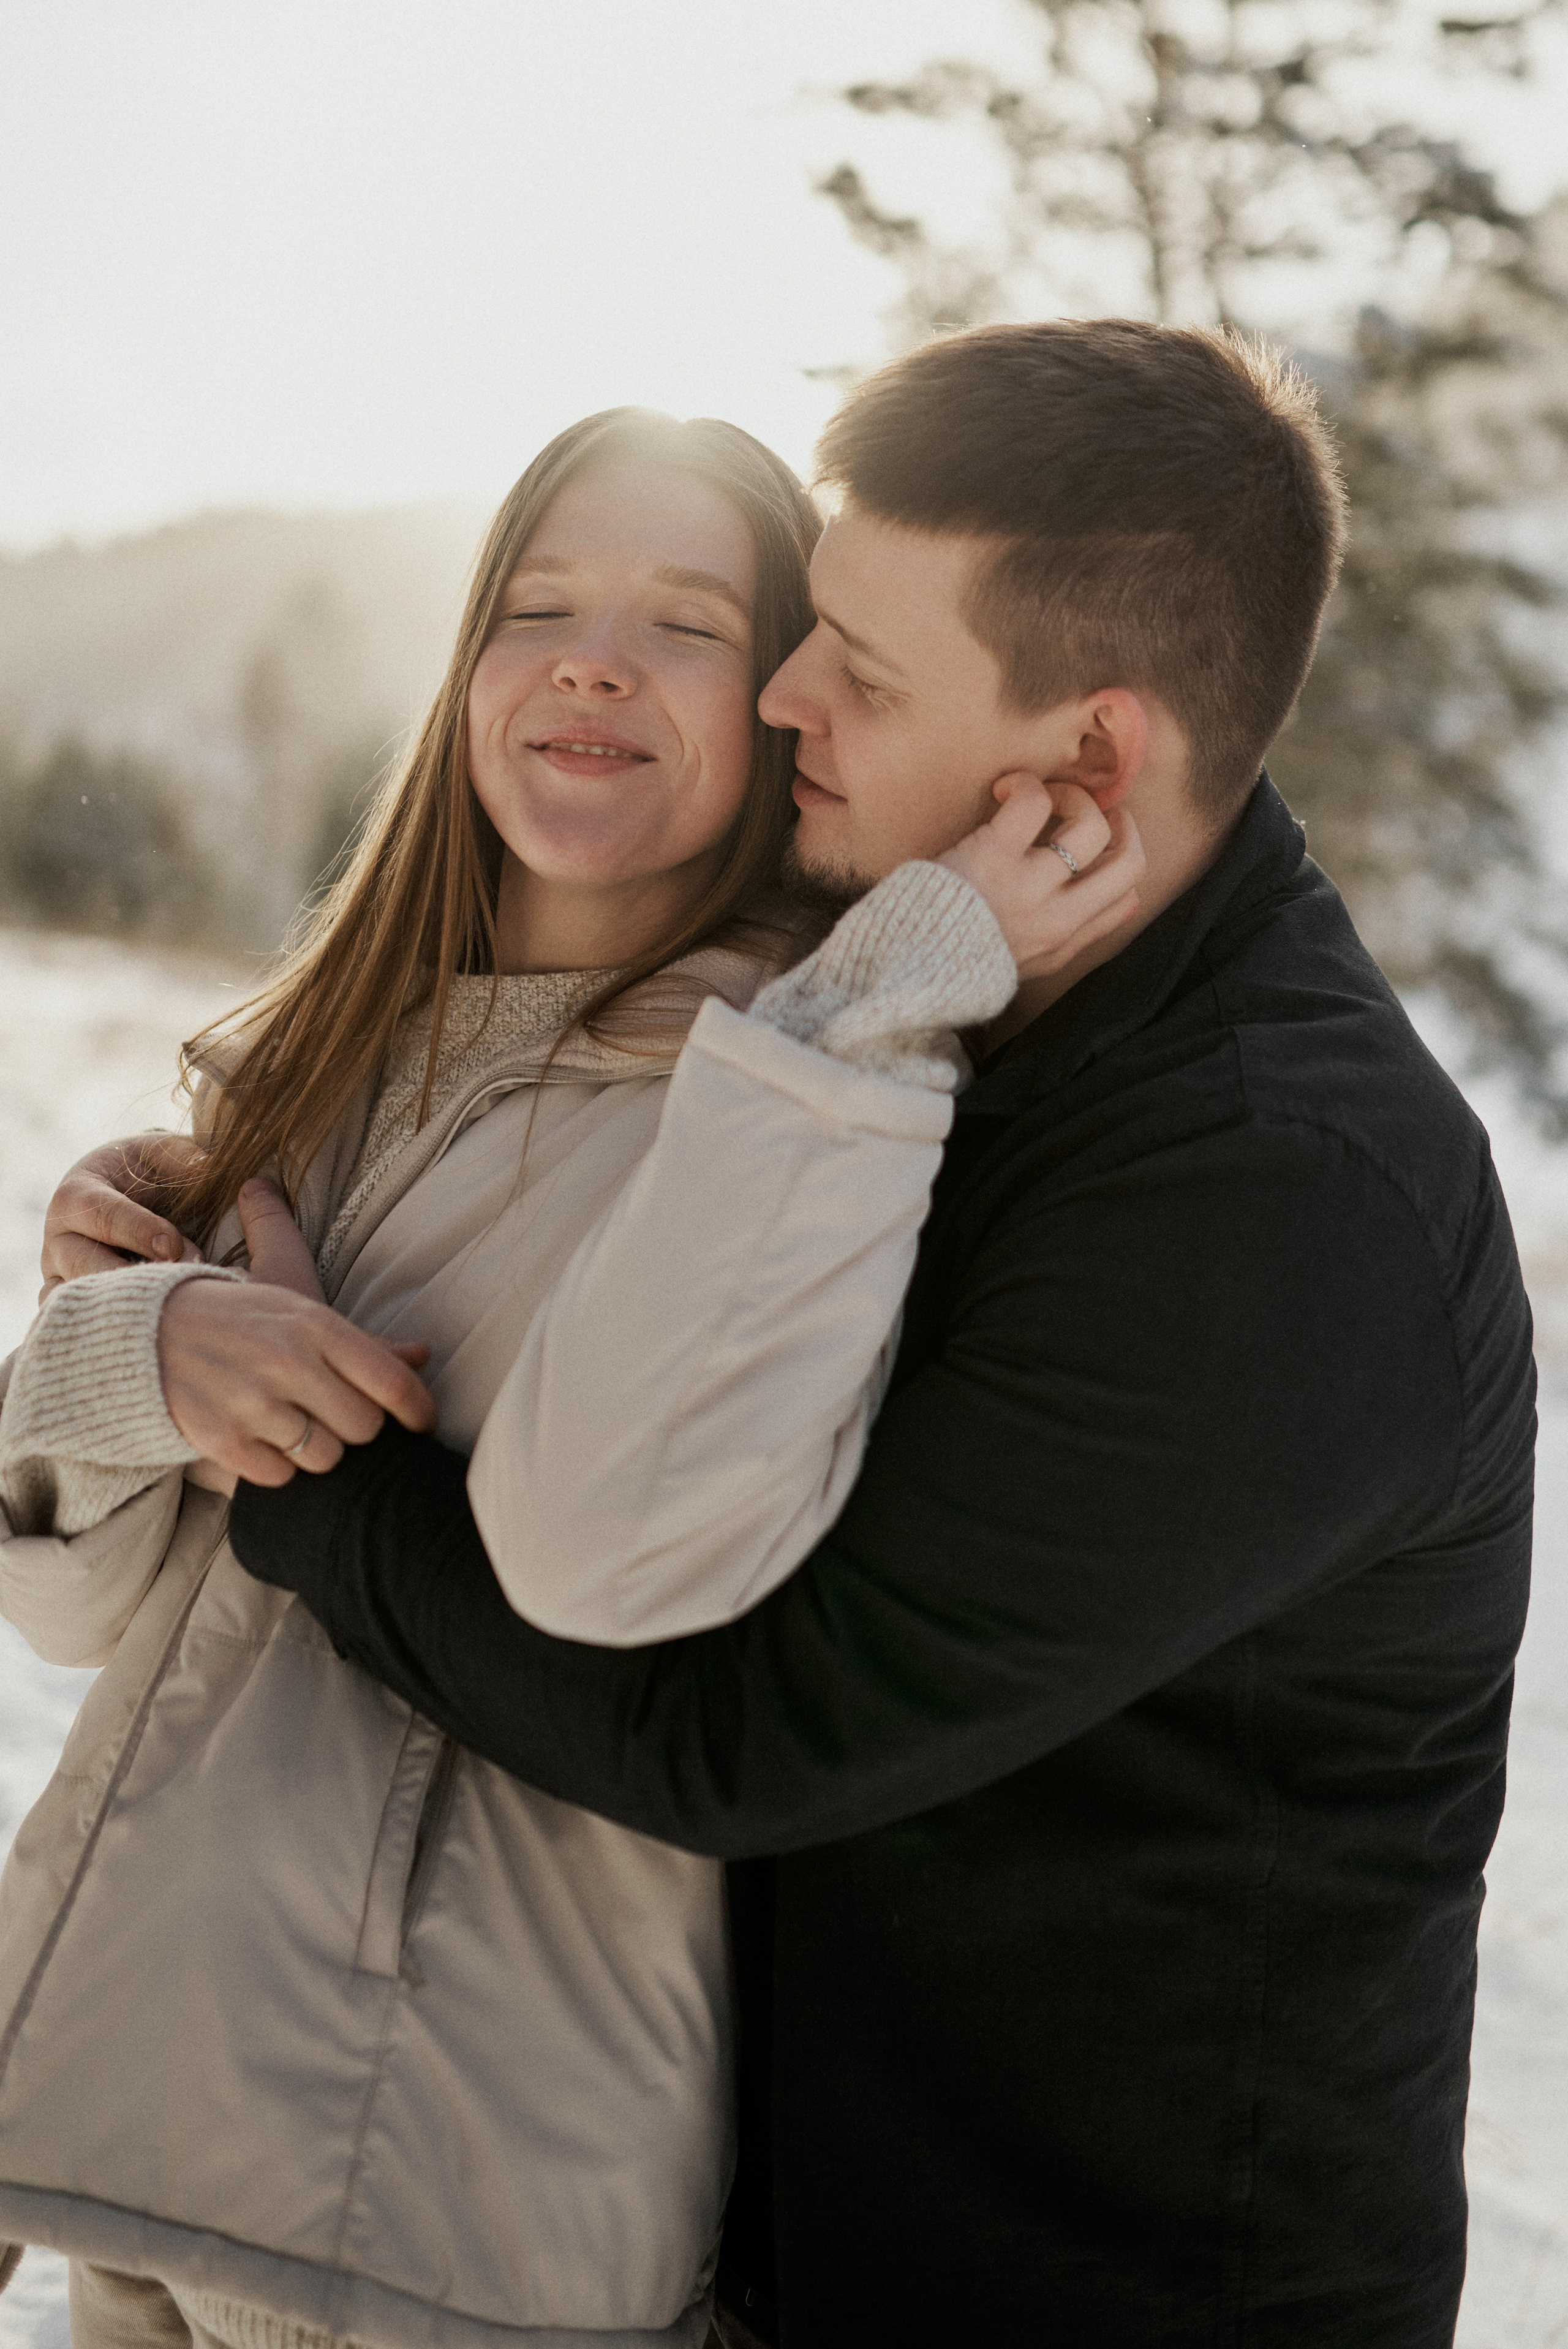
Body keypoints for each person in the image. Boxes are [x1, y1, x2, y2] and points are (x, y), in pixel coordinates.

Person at [32, 320, 1536, 2348]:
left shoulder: (1276, 1200)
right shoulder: (983, 1019)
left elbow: (739, 1729)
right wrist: (141, 1312)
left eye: (858, 665)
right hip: (812, 2242)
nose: (783, 691)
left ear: (1087, 764)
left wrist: (313, 1459)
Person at [0, 400, 1134, 2349]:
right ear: (468, 673)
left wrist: (873, 1002)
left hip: (443, 2218)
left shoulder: (805, 1101)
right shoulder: (333, 1073)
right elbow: (79, 1599)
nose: (596, 654)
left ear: (788, 701)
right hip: (141, 2141)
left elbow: (622, 1549)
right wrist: (135, 1347)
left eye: (687, 620)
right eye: (540, 600)